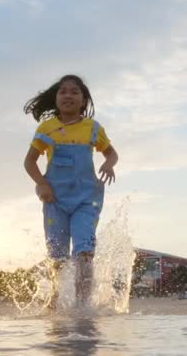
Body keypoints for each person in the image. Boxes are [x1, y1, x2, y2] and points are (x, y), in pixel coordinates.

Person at [22, 74, 119, 306]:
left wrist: (108, 163)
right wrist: (42, 184)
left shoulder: (93, 129)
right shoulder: (47, 128)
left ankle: (82, 305)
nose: (68, 95)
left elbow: (111, 153)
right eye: (63, 91)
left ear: (84, 100)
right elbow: (29, 162)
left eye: (74, 92)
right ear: (56, 98)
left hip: (86, 199)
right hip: (55, 198)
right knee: (58, 257)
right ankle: (56, 301)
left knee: (85, 251)